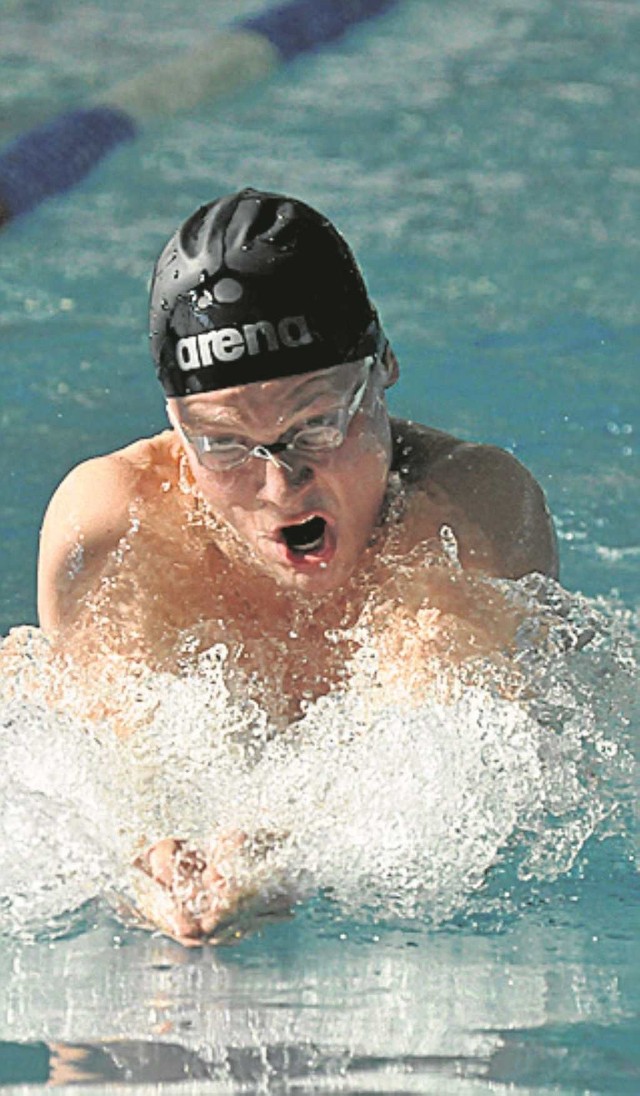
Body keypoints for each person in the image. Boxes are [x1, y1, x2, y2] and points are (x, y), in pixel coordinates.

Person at [36, 187, 558, 943]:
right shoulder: (117, 526)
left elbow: (440, 768)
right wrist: (145, 858)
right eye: (223, 444)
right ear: (176, 428)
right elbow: (102, 774)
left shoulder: (468, 512)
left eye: (315, 424)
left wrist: (291, 848)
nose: (281, 483)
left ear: (382, 368)